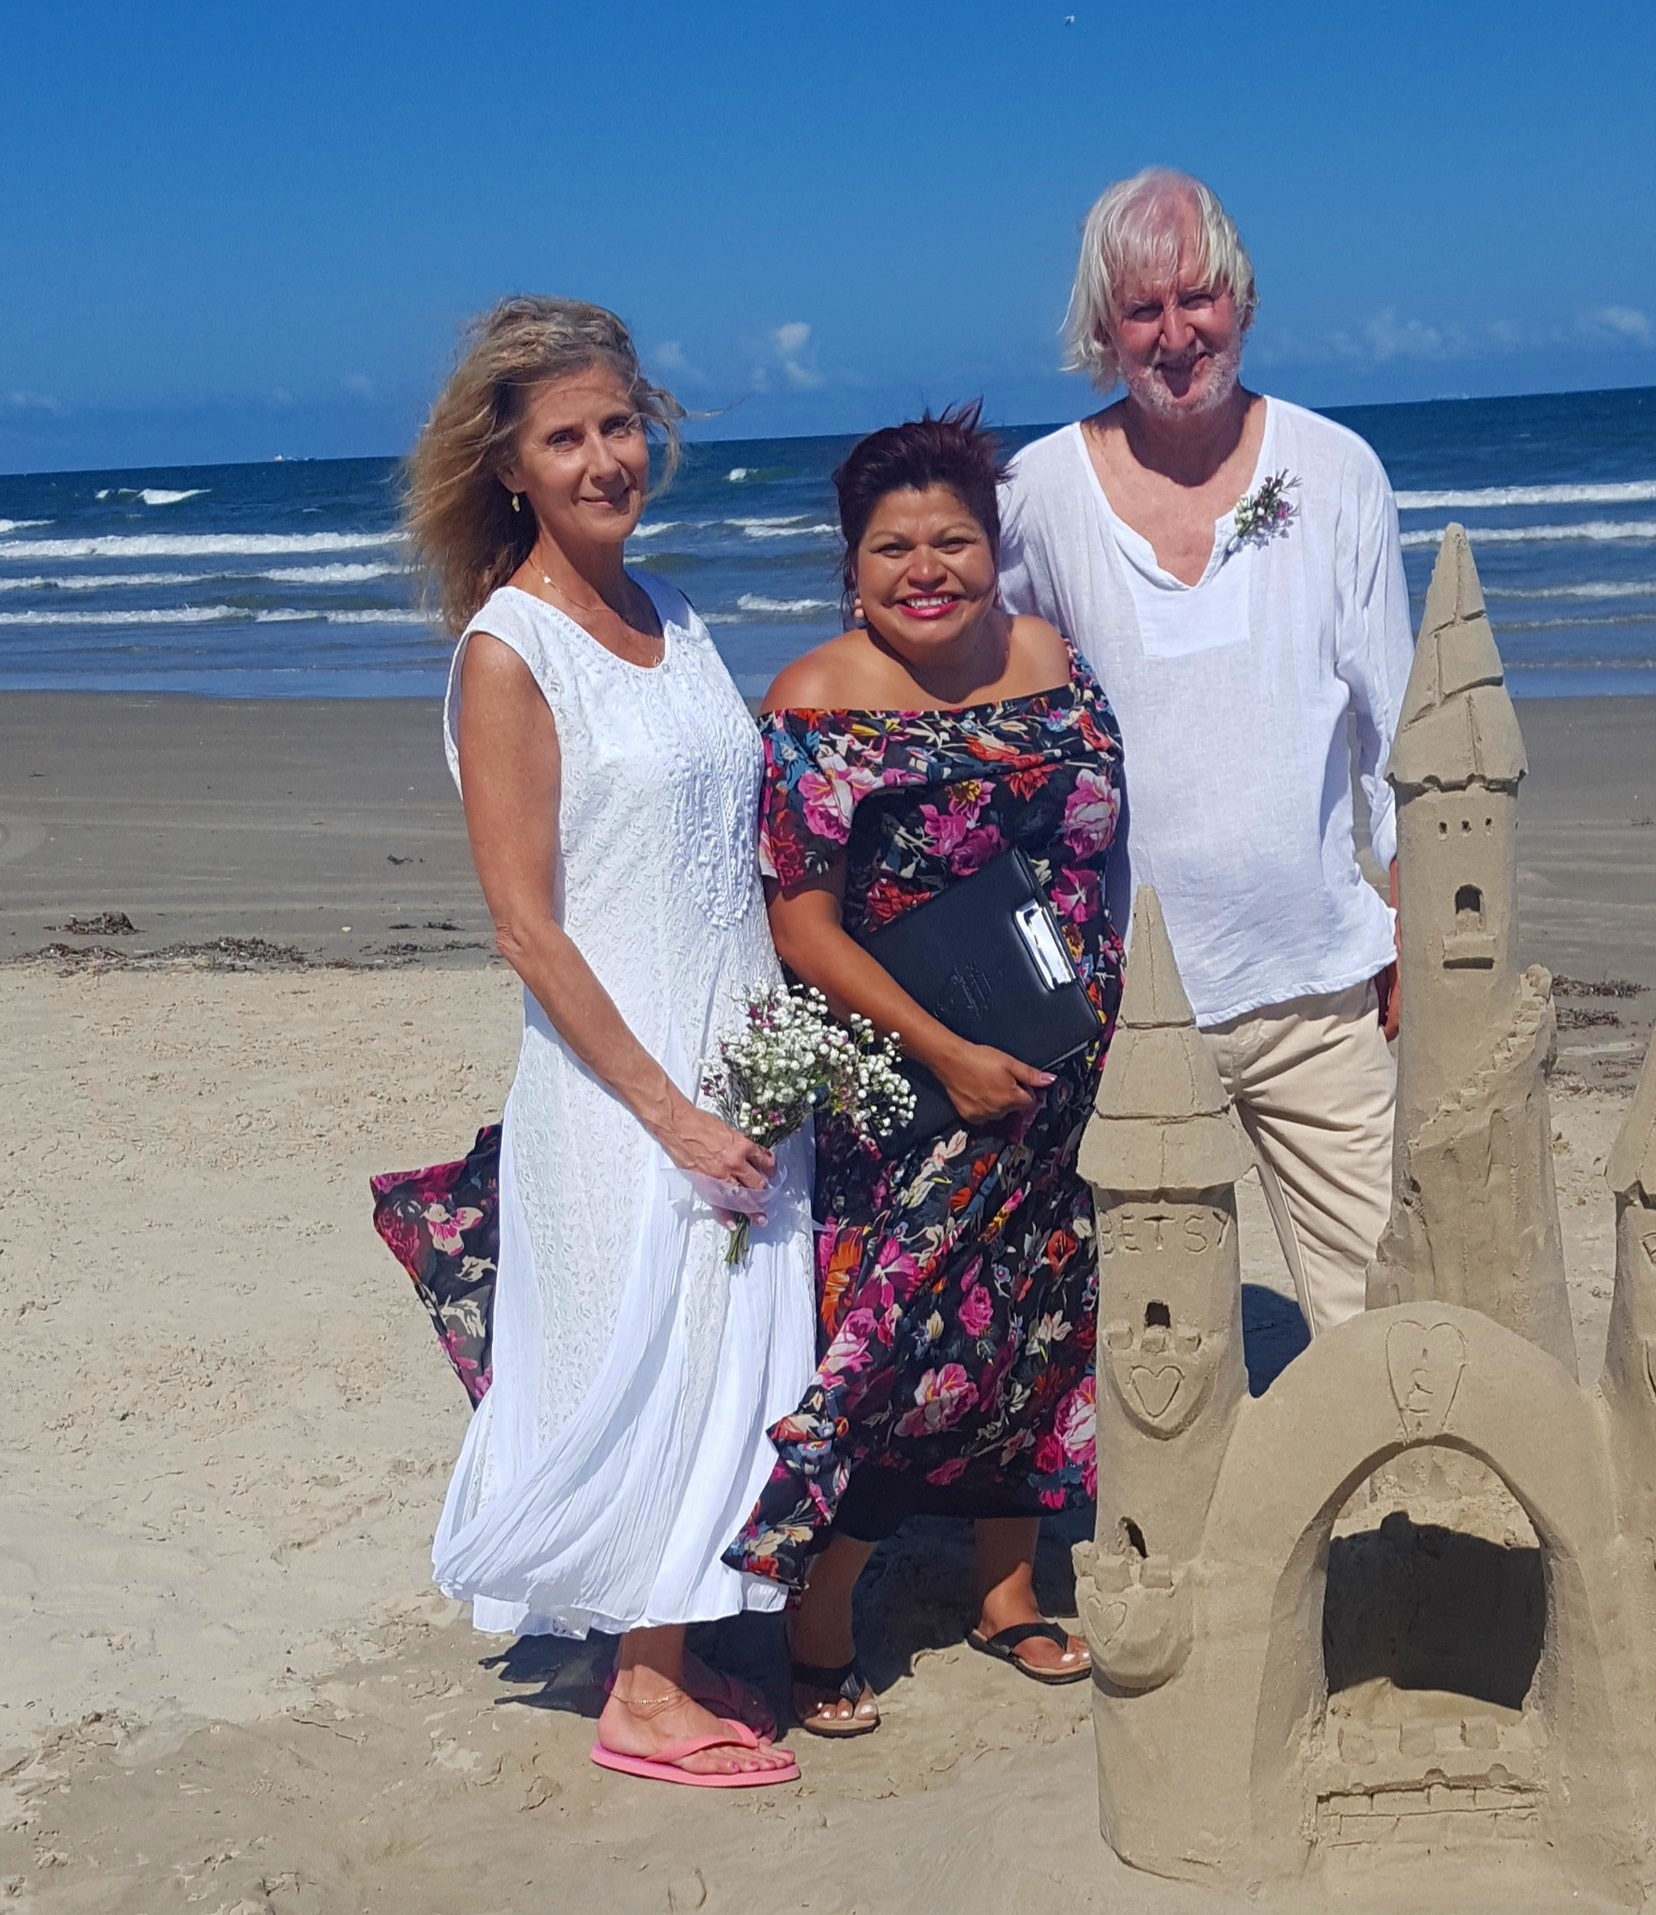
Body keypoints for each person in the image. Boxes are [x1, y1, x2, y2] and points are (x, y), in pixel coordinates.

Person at [405, 296, 816, 1788]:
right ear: (508, 464)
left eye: (619, 425)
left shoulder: (676, 615)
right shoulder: (508, 655)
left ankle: (670, 1636)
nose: (603, 459)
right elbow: (529, 928)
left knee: (727, 1358)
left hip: (739, 1056)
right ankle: (640, 1694)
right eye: (566, 437)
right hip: (619, 1089)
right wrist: (671, 1112)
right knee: (644, 1351)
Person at [722, 407, 1123, 1736]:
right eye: (893, 546)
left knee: (1043, 1324)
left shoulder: (1051, 656)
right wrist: (949, 1052)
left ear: (995, 545)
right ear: (852, 562)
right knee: (897, 1340)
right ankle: (821, 1606)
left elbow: (1094, 841)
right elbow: (802, 923)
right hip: (913, 1079)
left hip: (1065, 1061)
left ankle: (1008, 1589)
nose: (926, 565)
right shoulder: (814, 697)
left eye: (953, 536)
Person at [998, 167, 1410, 1340]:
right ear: (1102, 329)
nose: (1176, 334)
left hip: (1321, 984)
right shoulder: (1035, 495)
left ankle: (1391, 1523)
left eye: (1198, 298)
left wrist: (1412, 931)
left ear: (1241, 296)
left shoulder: (1334, 472)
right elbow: (986, 721)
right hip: (1130, 1007)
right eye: (1142, 309)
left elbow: (1400, 729)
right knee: (1155, 1331)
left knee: (1377, 1309)